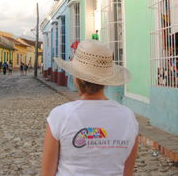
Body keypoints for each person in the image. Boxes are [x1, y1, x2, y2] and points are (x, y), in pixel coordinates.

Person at [42, 39, 138, 176]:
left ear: (76, 77)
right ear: (106, 80)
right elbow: (127, 173)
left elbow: (47, 172)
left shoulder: (60, 115)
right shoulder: (128, 118)